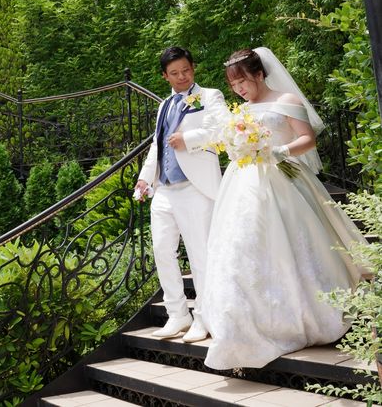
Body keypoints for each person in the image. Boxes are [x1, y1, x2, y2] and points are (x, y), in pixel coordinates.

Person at [200, 47, 369, 370]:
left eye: (243, 81)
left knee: (294, 244)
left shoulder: (287, 100)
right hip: (243, 185)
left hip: (284, 179)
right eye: (233, 84)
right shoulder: (241, 111)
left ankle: (305, 313)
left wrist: (280, 151)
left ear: (259, 74)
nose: (239, 88)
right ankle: (241, 325)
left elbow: (307, 139)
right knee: (241, 248)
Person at [135, 46, 228, 342]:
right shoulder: (164, 105)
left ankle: (204, 316)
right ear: (165, 76)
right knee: (162, 251)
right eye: (174, 73)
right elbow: (157, 144)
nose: (181, 77)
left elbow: (225, 129)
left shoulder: (210, 96)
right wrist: (145, 177)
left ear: (193, 68)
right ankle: (178, 315)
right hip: (164, 189)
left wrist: (190, 138)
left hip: (195, 188)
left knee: (200, 255)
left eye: (186, 70)